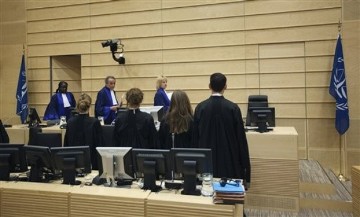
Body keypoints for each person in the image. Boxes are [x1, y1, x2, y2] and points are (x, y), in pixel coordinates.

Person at [193, 72, 251, 187]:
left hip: (206, 162)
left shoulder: (200, 108)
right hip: (229, 161)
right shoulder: (233, 108)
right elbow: (241, 140)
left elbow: (195, 138)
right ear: (225, 87)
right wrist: (246, 171)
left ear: (209, 86)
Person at [64, 93, 103, 170]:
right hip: (91, 162)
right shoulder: (94, 122)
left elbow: (66, 144)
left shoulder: (70, 122)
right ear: (89, 106)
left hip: (73, 162)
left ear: (77, 107)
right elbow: (99, 144)